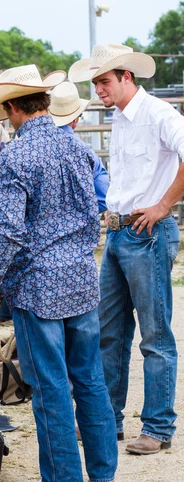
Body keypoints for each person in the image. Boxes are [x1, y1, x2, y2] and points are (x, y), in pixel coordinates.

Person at [0, 64, 118, 482]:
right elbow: (97, 205)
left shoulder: (17, 156)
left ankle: (61, 481)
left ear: (16, 107)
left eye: (6, 111)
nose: (6, 118)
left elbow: (11, 230)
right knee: (90, 377)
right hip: (79, 277)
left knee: (50, 384)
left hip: (38, 285)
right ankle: (101, 473)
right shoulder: (78, 148)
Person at [69, 44, 183, 454]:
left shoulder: (158, 114)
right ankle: (109, 421)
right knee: (108, 331)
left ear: (126, 77)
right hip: (121, 232)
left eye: (104, 81)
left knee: (154, 335)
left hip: (147, 231)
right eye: (95, 82)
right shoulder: (121, 117)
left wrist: (164, 205)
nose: (98, 88)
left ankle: (156, 427)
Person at [49, 81, 108, 213]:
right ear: (74, 119)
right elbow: (104, 197)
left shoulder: (30, 148)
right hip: (79, 230)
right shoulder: (86, 153)